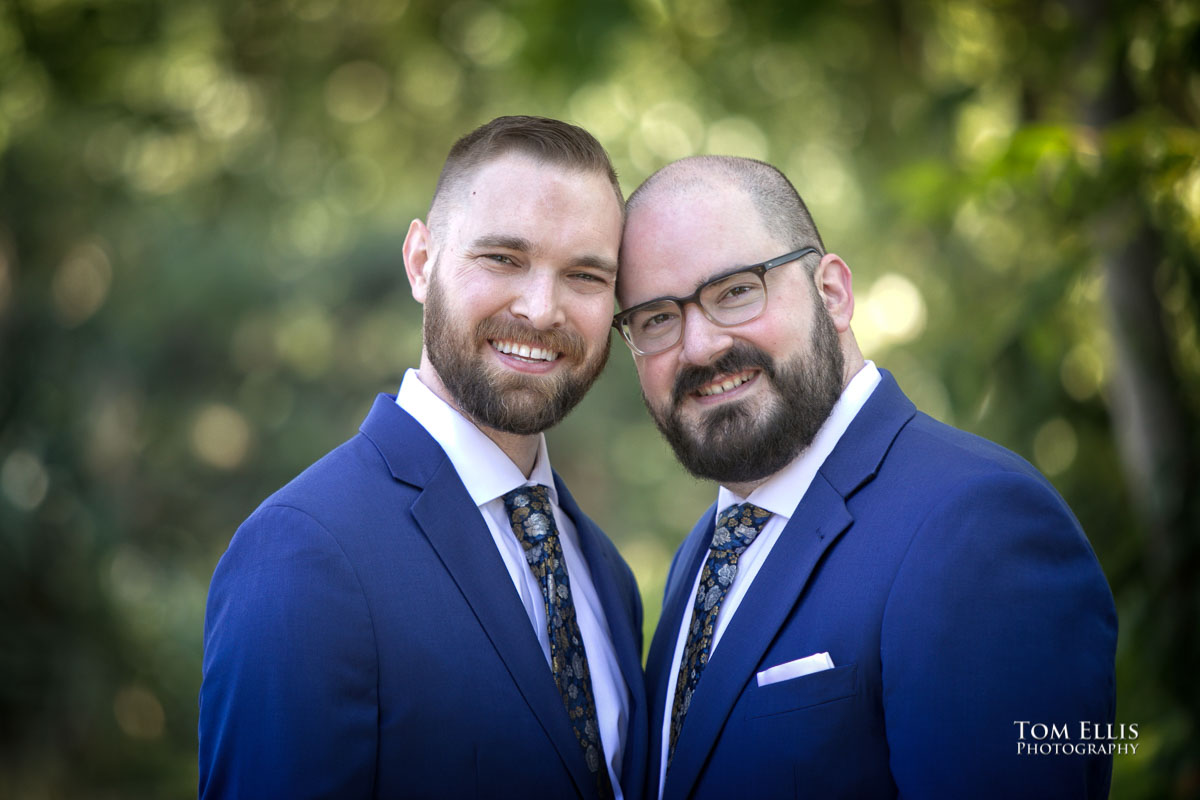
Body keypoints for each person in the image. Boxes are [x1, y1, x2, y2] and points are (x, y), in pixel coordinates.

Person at [614, 155, 1117, 799]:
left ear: (833, 293)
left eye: (736, 291)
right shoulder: (703, 559)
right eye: (657, 318)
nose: (700, 346)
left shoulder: (983, 524)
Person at [199, 116, 648, 800]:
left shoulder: (606, 575)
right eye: (502, 258)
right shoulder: (304, 551)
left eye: (586, 275)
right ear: (420, 261)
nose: (541, 308)